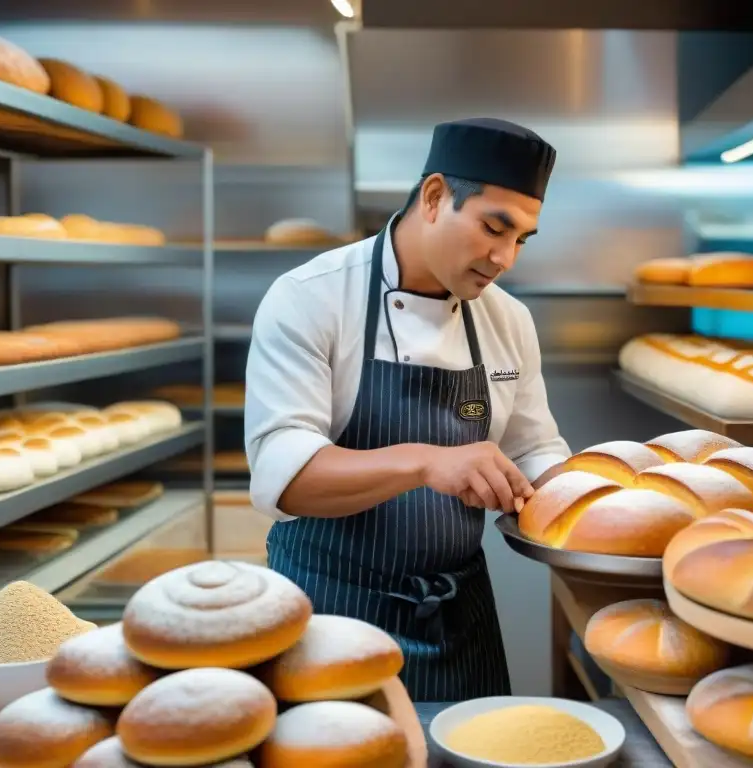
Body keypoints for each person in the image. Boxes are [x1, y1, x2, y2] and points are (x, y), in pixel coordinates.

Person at [244, 117, 570, 702]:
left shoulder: (508, 319)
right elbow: (283, 477)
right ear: (435, 196)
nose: (505, 258)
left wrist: (598, 502)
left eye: (522, 239)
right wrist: (426, 462)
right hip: (330, 612)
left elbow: (535, 445)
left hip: (457, 617)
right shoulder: (310, 297)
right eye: (494, 228)